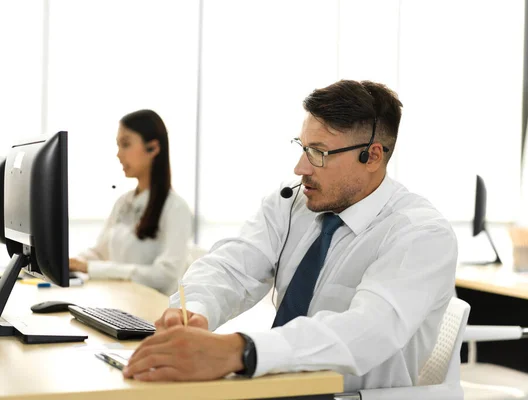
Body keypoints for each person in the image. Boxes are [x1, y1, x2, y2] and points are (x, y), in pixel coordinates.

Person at [123, 81, 458, 392]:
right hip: (277, 390)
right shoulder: (293, 201)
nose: (301, 168)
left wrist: (241, 350)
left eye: (320, 153)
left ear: (372, 156)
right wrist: (195, 311)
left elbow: (367, 331)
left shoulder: (420, 235)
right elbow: (231, 266)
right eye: (303, 147)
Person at [69, 109, 193, 295]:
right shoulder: (123, 202)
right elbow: (100, 253)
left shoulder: (176, 208)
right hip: (118, 304)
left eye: (125, 144)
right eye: (118, 146)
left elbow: (165, 276)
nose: (119, 155)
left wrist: (90, 268)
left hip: (151, 311)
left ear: (153, 148)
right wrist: (69, 262)